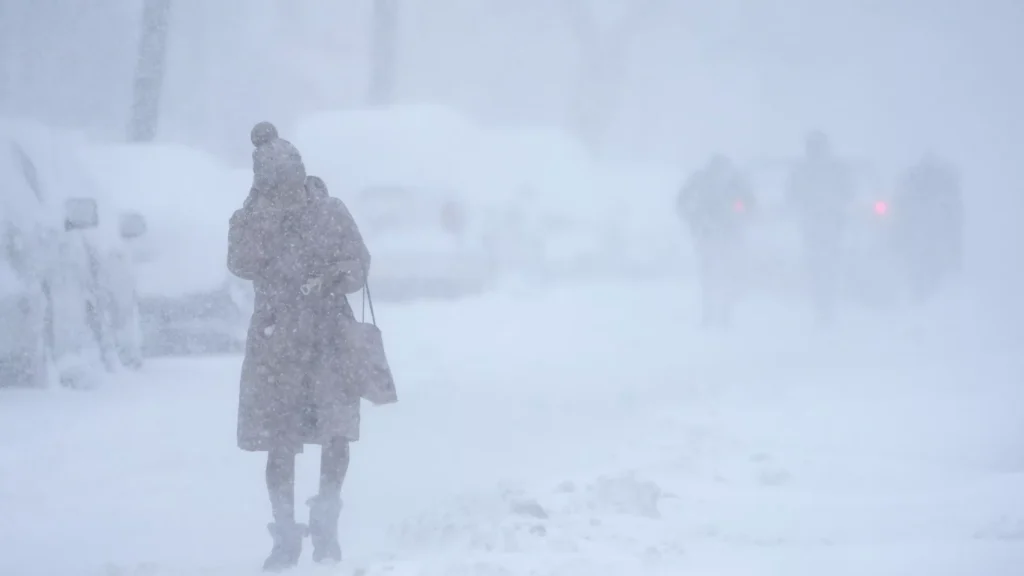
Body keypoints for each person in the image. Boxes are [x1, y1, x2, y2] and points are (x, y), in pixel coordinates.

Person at [228, 122, 371, 571]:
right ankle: (286, 534)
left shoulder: (330, 211)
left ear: (300, 175)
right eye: (273, 187)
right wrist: (257, 212)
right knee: (279, 441)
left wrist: (331, 278)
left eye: (288, 184)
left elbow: (358, 264)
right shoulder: (252, 217)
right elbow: (241, 263)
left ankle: (326, 523)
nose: (285, 196)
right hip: (277, 343)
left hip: (328, 338)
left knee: (335, 432)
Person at [676, 154, 756, 326]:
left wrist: (738, 211)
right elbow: (683, 200)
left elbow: (748, 204)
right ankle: (711, 313)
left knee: (724, 275)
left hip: (726, 234)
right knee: (710, 275)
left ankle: (722, 314)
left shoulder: (735, 182)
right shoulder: (703, 181)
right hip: (708, 234)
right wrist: (693, 217)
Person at [786, 130, 855, 324]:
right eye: (813, 147)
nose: (814, 151)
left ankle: (824, 307)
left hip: (826, 227)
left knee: (823, 268)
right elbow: (792, 195)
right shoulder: (831, 170)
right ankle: (823, 307)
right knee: (821, 268)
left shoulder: (809, 171)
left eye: (816, 147)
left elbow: (790, 196)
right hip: (819, 227)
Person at [893, 153, 964, 297]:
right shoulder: (940, 191)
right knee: (919, 261)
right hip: (920, 238)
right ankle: (922, 293)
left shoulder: (936, 194)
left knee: (923, 261)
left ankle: (925, 293)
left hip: (926, 239)